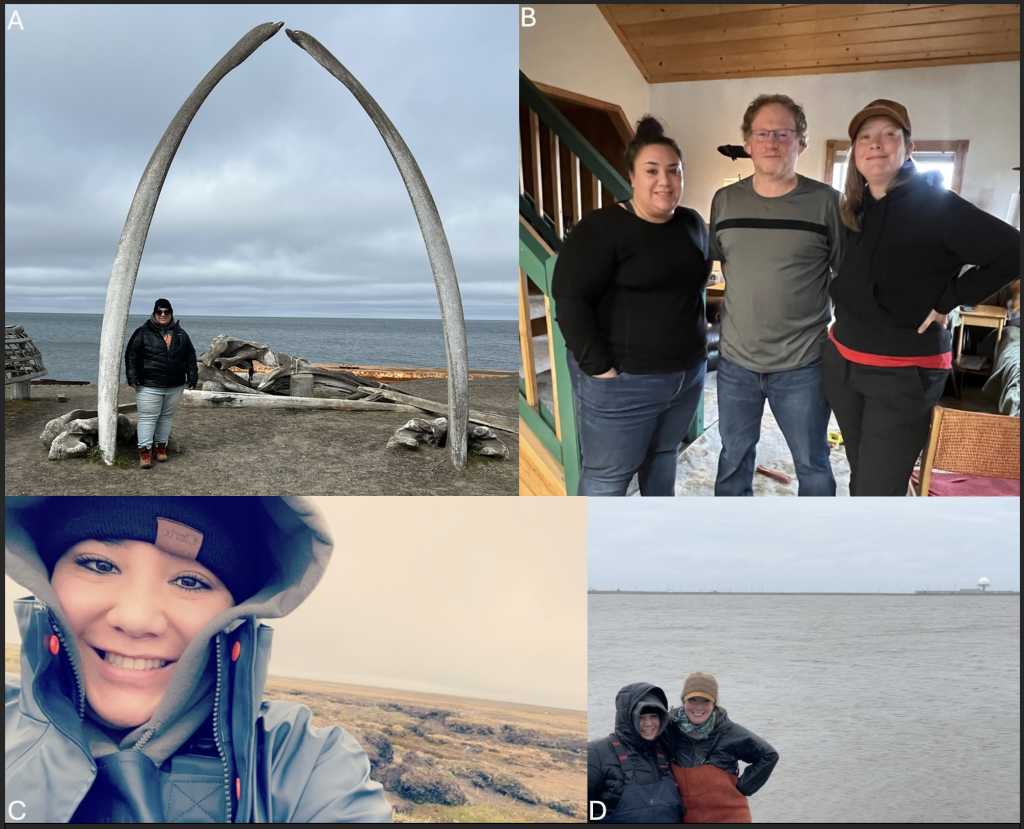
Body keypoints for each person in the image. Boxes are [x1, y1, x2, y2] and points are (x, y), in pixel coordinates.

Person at [4, 496, 393, 823]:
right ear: (46, 576)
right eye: (99, 565)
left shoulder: (304, 768)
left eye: (190, 581)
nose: (136, 618)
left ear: (236, 613)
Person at [823, 99, 1021, 496]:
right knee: (861, 469)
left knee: (880, 486)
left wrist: (951, 298)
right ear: (854, 152)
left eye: (888, 135)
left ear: (909, 148)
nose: (875, 145)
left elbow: (1012, 252)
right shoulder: (852, 211)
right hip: (842, 362)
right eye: (865, 137)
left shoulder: (938, 206)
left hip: (902, 373)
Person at [551, 116, 711, 497]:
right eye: (652, 170)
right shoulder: (602, 229)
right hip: (625, 383)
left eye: (674, 171)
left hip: (687, 376)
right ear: (632, 176)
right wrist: (599, 370)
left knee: (663, 458)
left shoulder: (693, 223)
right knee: (608, 477)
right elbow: (571, 301)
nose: (665, 181)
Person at [710, 94, 842, 496]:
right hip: (735, 364)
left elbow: (850, 275)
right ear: (747, 143)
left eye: (783, 133)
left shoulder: (828, 203)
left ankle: (814, 548)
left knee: (813, 463)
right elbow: (712, 264)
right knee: (733, 457)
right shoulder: (724, 200)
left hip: (803, 365)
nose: (771, 142)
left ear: (801, 143)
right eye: (762, 133)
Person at [666, 672, 778, 824]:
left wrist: (742, 788)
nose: (699, 707)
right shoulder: (669, 731)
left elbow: (769, 756)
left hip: (731, 818)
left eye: (706, 700)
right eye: (692, 699)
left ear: (714, 704)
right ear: (683, 701)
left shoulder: (731, 733)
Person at [587, 682, 685, 823]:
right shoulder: (597, 752)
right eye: (640, 717)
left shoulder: (667, 750)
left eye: (653, 716)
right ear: (627, 719)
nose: (648, 723)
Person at [124, 298, 199, 469]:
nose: (163, 315)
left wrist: (192, 378)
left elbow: (190, 357)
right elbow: (131, 355)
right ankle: (144, 453)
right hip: (149, 384)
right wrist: (132, 376)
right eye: (159, 311)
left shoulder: (181, 334)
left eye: (166, 311)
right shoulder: (142, 332)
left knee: (166, 418)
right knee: (147, 418)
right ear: (154, 313)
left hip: (175, 385)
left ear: (171, 313)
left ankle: (161, 449)